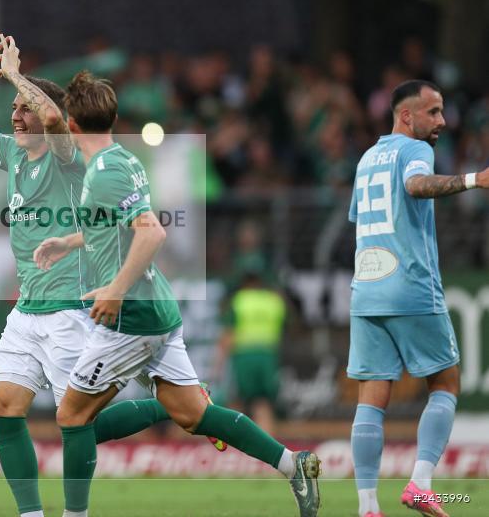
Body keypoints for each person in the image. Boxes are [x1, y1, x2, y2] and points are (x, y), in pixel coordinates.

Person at [34, 69, 320, 517]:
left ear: (72, 123)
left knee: (72, 418)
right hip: (156, 309)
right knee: (193, 414)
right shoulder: (122, 160)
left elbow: (152, 233)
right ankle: (292, 464)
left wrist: (115, 291)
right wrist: (69, 242)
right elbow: (113, 227)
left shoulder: (106, 172)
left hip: (131, 317)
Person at [0, 33, 200, 517]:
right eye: (13, 108)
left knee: (82, 423)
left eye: (23, 108)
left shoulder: (65, 157)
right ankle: (31, 515)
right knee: (5, 407)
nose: (15, 115)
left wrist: (16, 75)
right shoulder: (13, 154)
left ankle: (175, 406)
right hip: (28, 310)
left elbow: (51, 119)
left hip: (71, 308)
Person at [347, 80, 488, 517]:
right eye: (434, 112)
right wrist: (473, 179)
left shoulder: (366, 159)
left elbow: (360, 219)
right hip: (410, 284)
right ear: (406, 116)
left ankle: (368, 507)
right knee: (445, 383)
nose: (442, 121)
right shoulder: (415, 150)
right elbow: (415, 186)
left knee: (371, 399)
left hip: (366, 289)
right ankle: (421, 485)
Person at [218, 268, 287, 434]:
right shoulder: (274, 301)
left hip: (244, 356)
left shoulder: (239, 300)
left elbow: (228, 334)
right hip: (267, 356)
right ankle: (267, 443)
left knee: (236, 402)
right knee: (263, 402)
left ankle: (234, 441)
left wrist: (218, 364)